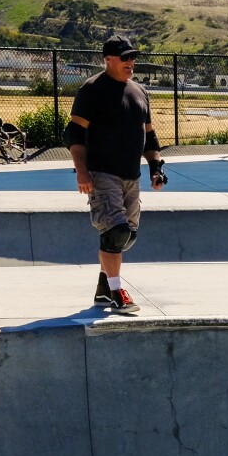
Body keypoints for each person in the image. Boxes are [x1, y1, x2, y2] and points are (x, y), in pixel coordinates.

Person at [66, 36, 169, 315]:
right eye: (125, 58)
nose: (130, 63)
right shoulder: (92, 90)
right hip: (102, 173)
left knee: (127, 236)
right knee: (115, 232)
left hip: (131, 176)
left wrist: (156, 168)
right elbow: (74, 133)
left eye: (132, 58)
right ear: (108, 59)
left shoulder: (139, 91)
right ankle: (115, 291)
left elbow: (149, 135)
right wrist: (82, 171)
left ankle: (102, 288)